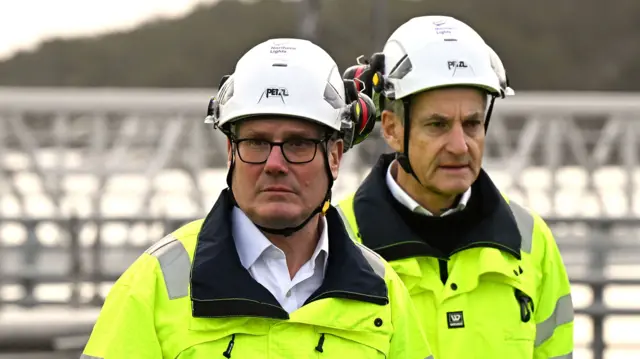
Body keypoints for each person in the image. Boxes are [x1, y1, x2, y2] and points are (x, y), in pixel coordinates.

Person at [80, 38, 433, 359]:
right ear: (230, 151)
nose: (275, 164)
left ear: (336, 156)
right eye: (257, 142)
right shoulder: (153, 285)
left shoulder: (382, 291)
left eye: (298, 143)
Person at [337, 15, 574, 359]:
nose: (460, 145)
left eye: (472, 123)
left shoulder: (531, 242)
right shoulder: (338, 243)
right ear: (390, 129)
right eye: (438, 125)